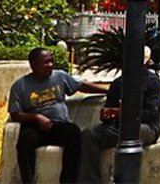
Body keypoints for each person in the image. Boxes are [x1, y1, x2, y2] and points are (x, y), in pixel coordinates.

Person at [7, 46, 108, 184]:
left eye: (51, 61)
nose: (50, 65)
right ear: (33, 65)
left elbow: (80, 86)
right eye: (46, 62)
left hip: (59, 126)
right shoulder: (20, 86)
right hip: (35, 128)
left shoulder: (59, 76)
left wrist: (107, 91)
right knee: (25, 140)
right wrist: (36, 118)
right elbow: (15, 114)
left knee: (74, 133)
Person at [79, 45, 160, 184]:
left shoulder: (152, 81)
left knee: (133, 132)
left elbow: (152, 114)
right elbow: (109, 109)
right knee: (89, 134)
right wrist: (108, 114)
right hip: (118, 126)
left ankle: (124, 178)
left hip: (145, 127)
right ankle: (90, 180)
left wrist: (127, 112)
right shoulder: (118, 83)